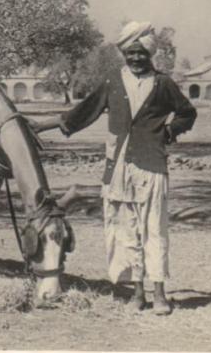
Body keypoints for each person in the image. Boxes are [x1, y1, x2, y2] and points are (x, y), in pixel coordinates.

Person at [34, 21, 197, 315]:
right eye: (130, 53)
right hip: (118, 169)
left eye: (141, 54)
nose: (135, 59)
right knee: (126, 231)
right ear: (124, 53)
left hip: (151, 167)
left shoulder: (163, 84)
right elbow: (83, 112)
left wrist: (170, 131)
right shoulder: (113, 81)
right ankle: (137, 293)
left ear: (150, 54)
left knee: (154, 230)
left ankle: (159, 294)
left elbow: (187, 112)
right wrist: (42, 126)